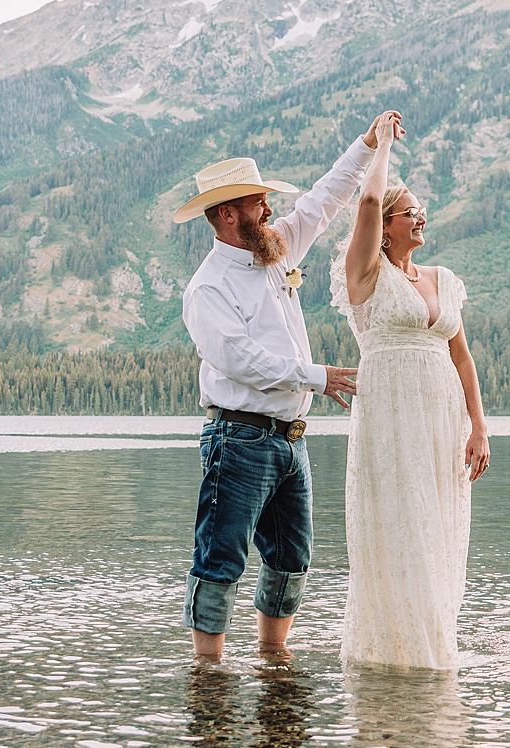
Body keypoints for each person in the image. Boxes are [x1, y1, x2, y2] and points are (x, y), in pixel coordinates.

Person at [175, 111, 400, 660]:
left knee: (291, 557)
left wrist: (367, 144)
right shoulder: (207, 288)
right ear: (228, 215)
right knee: (221, 558)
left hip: (289, 439)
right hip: (239, 439)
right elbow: (240, 360)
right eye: (257, 202)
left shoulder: (275, 252)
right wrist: (317, 377)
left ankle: (274, 663)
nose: (268, 207)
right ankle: (209, 675)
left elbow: (325, 201)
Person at [331, 114, 490, 669]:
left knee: (438, 527)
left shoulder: (443, 279)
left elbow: (461, 356)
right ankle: (395, 654)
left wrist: (478, 427)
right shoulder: (365, 274)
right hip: (390, 421)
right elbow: (368, 204)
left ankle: (433, 642)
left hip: (442, 421)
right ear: (388, 224)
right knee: (401, 525)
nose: (421, 218)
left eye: (423, 212)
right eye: (410, 212)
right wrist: (380, 148)